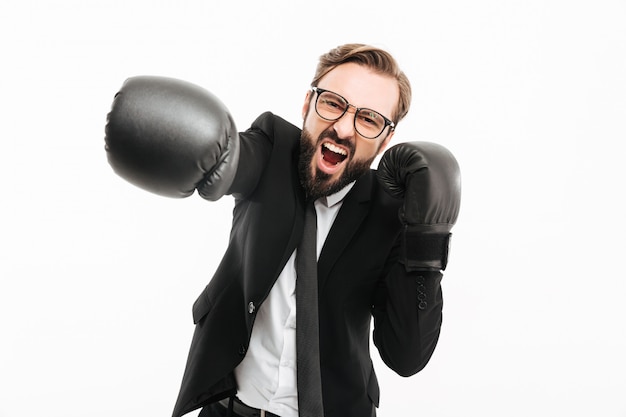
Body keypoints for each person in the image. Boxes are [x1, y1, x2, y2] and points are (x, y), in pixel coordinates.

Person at [104, 43, 461, 417]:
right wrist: (218, 156)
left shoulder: (392, 213)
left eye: (369, 119)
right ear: (308, 104)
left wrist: (427, 237)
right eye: (333, 103)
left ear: (386, 140)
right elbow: (239, 158)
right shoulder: (272, 148)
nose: (342, 128)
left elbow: (407, 357)